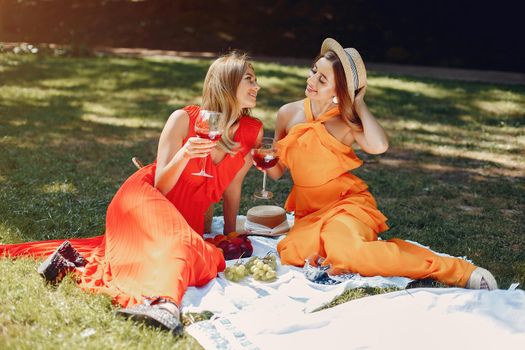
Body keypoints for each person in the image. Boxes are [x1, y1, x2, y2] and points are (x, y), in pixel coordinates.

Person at [0, 51, 263, 335]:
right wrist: (186, 154)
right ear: (226, 83)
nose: (257, 86)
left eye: (256, 80)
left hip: (185, 219)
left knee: (205, 255)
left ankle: (73, 263)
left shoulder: (252, 132)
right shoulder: (184, 120)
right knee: (185, 247)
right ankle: (164, 305)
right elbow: (162, 184)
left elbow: (232, 188)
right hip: (146, 198)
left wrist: (231, 232)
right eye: (249, 79)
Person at [265, 38, 497, 290]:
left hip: (344, 205)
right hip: (307, 212)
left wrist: (358, 103)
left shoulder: (346, 121)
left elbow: (379, 146)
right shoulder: (287, 113)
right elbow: (277, 171)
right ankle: (374, 249)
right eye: (313, 72)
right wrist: (256, 156)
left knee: (349, 254)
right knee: (294, 253)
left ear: (339, 91)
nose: (311, 81)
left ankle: (457, 271)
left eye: (322, 80)